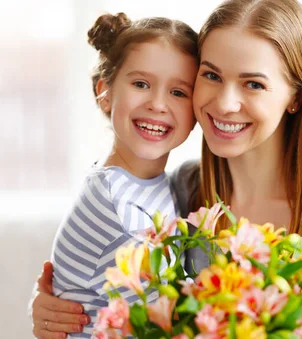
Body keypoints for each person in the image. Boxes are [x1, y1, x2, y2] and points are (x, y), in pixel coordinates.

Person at [30, 1, 302, 337]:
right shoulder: (183, 190)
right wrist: (52, 306)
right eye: (211, 76)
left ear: (296, 98)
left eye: (253, 84)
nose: (225, 103)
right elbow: (97, 290)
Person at [33, 12, 199, 339]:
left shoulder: (141, 183)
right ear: (105, 92)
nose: (158, 104)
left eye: (178, 92)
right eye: (141, 84)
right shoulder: (118, 210)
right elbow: (168, 328)